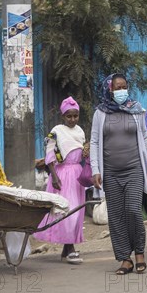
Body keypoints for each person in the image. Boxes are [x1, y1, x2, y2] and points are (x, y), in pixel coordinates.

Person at [90, 73, 147, 275]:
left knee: (133, 211)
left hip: (134, 169)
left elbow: (144, 136)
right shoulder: (101, 113)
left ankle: (140, 254)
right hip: (110, 173)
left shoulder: (136, 110)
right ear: (110, 89)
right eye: (117, 87)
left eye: (124, 87)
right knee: (116, 216)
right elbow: (94, 142)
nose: (121, 91)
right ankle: (125, 259)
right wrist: (95, 169)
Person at [35, 97, 89, 264]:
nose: (72, 119)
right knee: (67, 212)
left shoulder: (80, 131)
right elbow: (50, 156)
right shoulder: (56, 131)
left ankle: (67, 248)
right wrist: (55, 177)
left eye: (75, 116)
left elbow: (80, 152)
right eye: (69, 116)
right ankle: (70, 248)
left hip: (77, 176)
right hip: (62, 175)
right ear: (63, 116)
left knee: (77, 212)